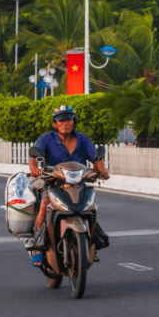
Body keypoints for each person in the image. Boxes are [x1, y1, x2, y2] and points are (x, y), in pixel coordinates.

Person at [27, 105, 110, 267]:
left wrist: (102, 170)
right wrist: (34, 168)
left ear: (74, 122)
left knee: (90, 207)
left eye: (69, 120)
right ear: (55, 124)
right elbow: (33, 155)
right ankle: (38, 247)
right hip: (53, 183)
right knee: (45, 204)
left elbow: (96, 159)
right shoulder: (46, 139)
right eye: (61, 120)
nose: (66, 123)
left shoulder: (83, 139)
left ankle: (93, 242)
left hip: (78, 184)